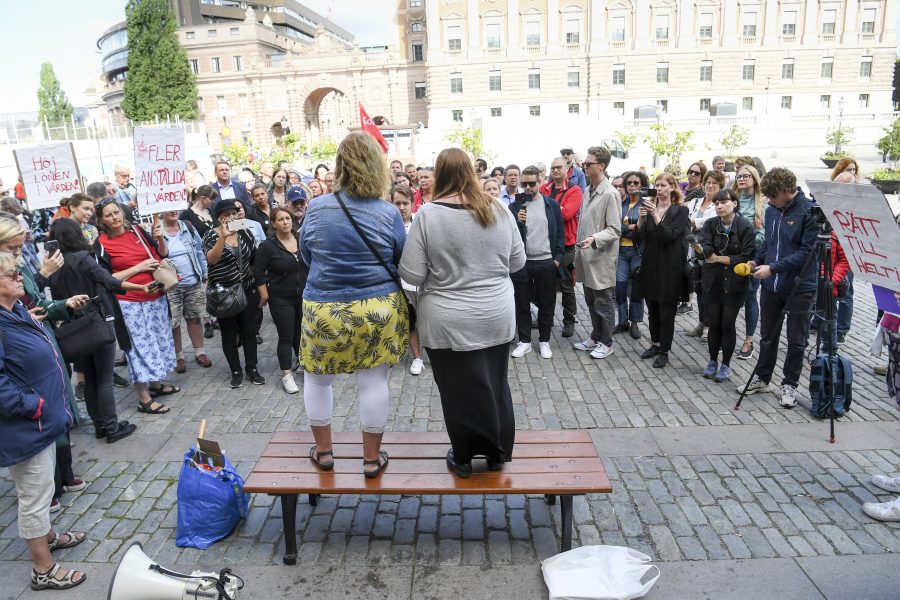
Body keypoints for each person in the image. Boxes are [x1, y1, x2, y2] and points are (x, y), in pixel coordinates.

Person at [399, 147, 525, 478]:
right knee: (496, 384)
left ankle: (465, 456)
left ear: (439, 175)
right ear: (471, 171)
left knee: (457, 391)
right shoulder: (499, 209)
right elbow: (517, 262)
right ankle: (498, 453)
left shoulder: (428, 215)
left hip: (447, 319)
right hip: (496, 314)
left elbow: (411, 274)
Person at [300, 132, 408, 479]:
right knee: (374, 383)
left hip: (325, 307)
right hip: (376, 307)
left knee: (318, 381)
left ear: (340, 165)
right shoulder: (388, 212)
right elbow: (400, 258)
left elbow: (306, 254)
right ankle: (371, 460)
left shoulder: (316, 208)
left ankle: (325, 452)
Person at [0, 251, 88, 591]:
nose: (18, 276)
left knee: (44, 486)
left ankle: (48, 537)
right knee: (34, 497)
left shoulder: (16, 309)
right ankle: (43, 569)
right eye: (10, 274)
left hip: (41, 421)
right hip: (26, 425)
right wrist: (33, 406)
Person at [0, 216, 91, 512]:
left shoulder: (16, 265)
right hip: (21, 359)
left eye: (18, 247)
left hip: (40, 343)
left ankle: (61, 474)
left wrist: (62, 306)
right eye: (12, 248)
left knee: (57, 405)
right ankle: (45, 490)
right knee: (39, 417)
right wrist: (43, 274)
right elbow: (25, 302)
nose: (17, 253)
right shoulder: (8, 272)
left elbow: (35, 302)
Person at [47, 218, 141, 441]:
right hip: (95, 321)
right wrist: (140, 286)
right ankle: (112, 427)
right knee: (105, 378)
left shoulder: (53, 264)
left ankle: (100, 425)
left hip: (72, 325)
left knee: (89, 376)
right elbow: (108, 280)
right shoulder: (83, 258)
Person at [738, 167, 818, 408]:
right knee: (767, 336)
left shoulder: (808, 212)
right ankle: (763, 378)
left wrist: (773, 268)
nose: (770, 201)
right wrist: (758, 260)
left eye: (774, 197)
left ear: (788, 191)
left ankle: (790, 384)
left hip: (800, 286)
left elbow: (807, 253)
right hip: (771, 285)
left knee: (796, 339)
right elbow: (770, 243)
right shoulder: (772, 210)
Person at [94, 201, 179, 413]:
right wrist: (139, 267)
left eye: (116, 212)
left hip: (156, 297)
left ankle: (156, 385)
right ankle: (143, 398)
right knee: (137, 348)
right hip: (129, 303)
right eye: (108, 215)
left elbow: (161, 255)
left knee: (158, 341)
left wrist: (159, 237)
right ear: (101, 220)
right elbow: (105, 278)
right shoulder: (101, 244)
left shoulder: (138, 230)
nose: (114, 217)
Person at [692, 189, 756, 382]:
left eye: (724, 202)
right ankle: (712, 361)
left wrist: (719, 258)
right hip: (712, 281)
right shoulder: (711, 224)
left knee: (727, 323)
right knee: (714, 323)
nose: (719, 206)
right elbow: (706, 253)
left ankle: (726, 364)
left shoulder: (745, 226)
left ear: (734, 203)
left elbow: (746, 255)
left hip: (735, 283)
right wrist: (702, 251)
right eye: (717, 203)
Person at [204, 199, 264, 388]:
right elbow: (212, 260)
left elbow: (254, 260)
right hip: (224, 293)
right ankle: (235, 370)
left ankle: (252, 369)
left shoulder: (245, 232)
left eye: (233, 213)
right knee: (229, 334)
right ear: (219, 218)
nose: (230, 217)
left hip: (246, 289)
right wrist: (223, 236)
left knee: (249, 331)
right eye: (226, 215)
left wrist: (260, 288)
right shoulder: (210, 236)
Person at [509, 166, 564, 359]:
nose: (528, 188)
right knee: (521, 303)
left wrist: (557, 260)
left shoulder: (551, 205)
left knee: (547, 303)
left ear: (540, 181)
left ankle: (544, 340)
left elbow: (560, 235)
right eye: (524, 184)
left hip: (546, 261)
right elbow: (510, 235)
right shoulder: (516, 206)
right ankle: (524, 341)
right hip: (523, 262)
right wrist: (518, 221)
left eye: (532, 184)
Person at [635, 172, 689, 368]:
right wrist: (641, 221)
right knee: (653, 309)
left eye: (663, 185)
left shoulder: (680, 211)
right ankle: (655, 344)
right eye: (656, 185)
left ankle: (664, 350)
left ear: (672, 187)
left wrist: (656, 216)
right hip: (650, 265)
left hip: (670, 268)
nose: (659, 189)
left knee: (667, 312)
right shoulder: (650, 209)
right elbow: (637, 238)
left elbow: (669, 236)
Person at [573, 146, 621, 360]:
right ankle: (595, 336)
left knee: (604, 302)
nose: (584, 166)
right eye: (584, 163)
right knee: (591, 300)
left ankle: (607, 342)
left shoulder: (610, 193)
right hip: (586, 256)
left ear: (601, 166)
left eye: (588, 163)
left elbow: (615, 229)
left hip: (601, 257)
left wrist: (595, 239)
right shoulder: (588, 190)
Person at [255, 206, 307, 393]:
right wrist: (264, 294)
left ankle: (302, 363)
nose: (285, 222)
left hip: (303, 296)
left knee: (301, 334)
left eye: (288, 218)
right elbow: (258, 271)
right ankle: (286, 374)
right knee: (286, 336)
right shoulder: (268, 246)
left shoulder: (302, 239)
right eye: (281, 219)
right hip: (280, 298)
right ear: (273, 224)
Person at [161, 211, 211, 373]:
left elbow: (199, 252)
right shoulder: (156, 231)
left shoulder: (188, 227)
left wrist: (204, 275)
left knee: (194, 318)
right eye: (169, 208)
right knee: (173, 323)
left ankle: (200, 353)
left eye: (175, 207)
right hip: (170, 286)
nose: (173, 211)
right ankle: (179, 357)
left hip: (193, 281)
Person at [541, 157, 583, 338]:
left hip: (566, 245)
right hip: (546, 244)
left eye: (559, 167)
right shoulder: (544, 188)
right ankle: (547, 318)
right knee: (545, 285)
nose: (555, 171)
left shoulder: (575, 190)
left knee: (566, 285)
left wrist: (547, 207)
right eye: (553, 168)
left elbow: (567, 214)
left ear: (567, 169)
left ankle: (569, 320)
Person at [684, 170, 724, 338]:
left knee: (710, 291)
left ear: (721, 186)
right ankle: (702, 322)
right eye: (708, 182)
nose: (710, 185)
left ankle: (710, 325)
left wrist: (694, 222)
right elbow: (685, 219)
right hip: (692, 251)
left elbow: (711, 223)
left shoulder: (720, 204)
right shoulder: (695, 201)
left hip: (709, 251)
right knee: (699, 289)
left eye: (715, 182)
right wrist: (693, 222)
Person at [733, 165, 765, 360]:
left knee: (750, 297)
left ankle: (749, 339)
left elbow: (764, 234)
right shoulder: (732, 199)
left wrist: (745, 240)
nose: (741, 179)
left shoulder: (763, 203)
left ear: (754, 178)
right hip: (731, 255)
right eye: (739, 176)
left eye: (746, 176)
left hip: (752, 256)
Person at [391, 184, 424, 375]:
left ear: (412, 204)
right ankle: (417, 357)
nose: (401, 207)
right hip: (398, 281)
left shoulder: (419, 223)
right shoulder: (387, 226)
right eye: (397, 203)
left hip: (420, 281)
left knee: (426, 320)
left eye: (405, 203)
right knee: (409, 320)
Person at [615, 171, 649, 340]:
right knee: (620, 288)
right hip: (620, 252)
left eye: (636, 182)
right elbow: (613, 226)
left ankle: (634, 322)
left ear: (641, 184)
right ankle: (622, 321)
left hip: (637, 252)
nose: (632, 185)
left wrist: (631, 229)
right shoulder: (620, 203)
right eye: (628, 183)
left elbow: (644, 230)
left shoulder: (646, 204)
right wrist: (628, 228)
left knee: (636, 289)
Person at [830, 167, 856, 343]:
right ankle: (820, 321)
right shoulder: (830, 201)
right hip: (831, 252)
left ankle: (841, 330)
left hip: (848, 255)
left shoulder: (856, 205)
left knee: (845, 293)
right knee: (826, 291)